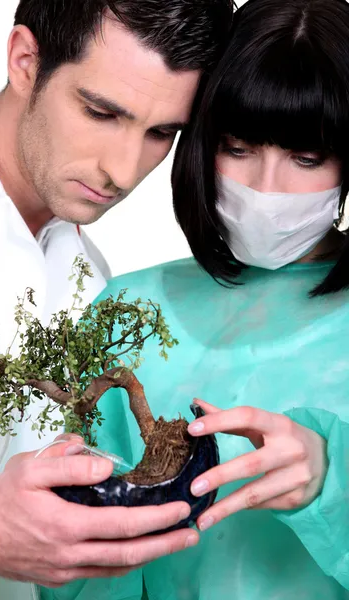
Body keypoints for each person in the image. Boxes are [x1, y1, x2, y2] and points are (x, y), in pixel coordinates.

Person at [42, 0, 349, 598]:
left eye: (306, 158)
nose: (266, 189)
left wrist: (328, 482)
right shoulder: (126, 308)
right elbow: (72, 554)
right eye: (238, 148)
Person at [0, 0, 234, 598]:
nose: (124, 170)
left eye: (161, 133)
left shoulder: (90, 278)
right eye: (102, 112)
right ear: (26, 60)